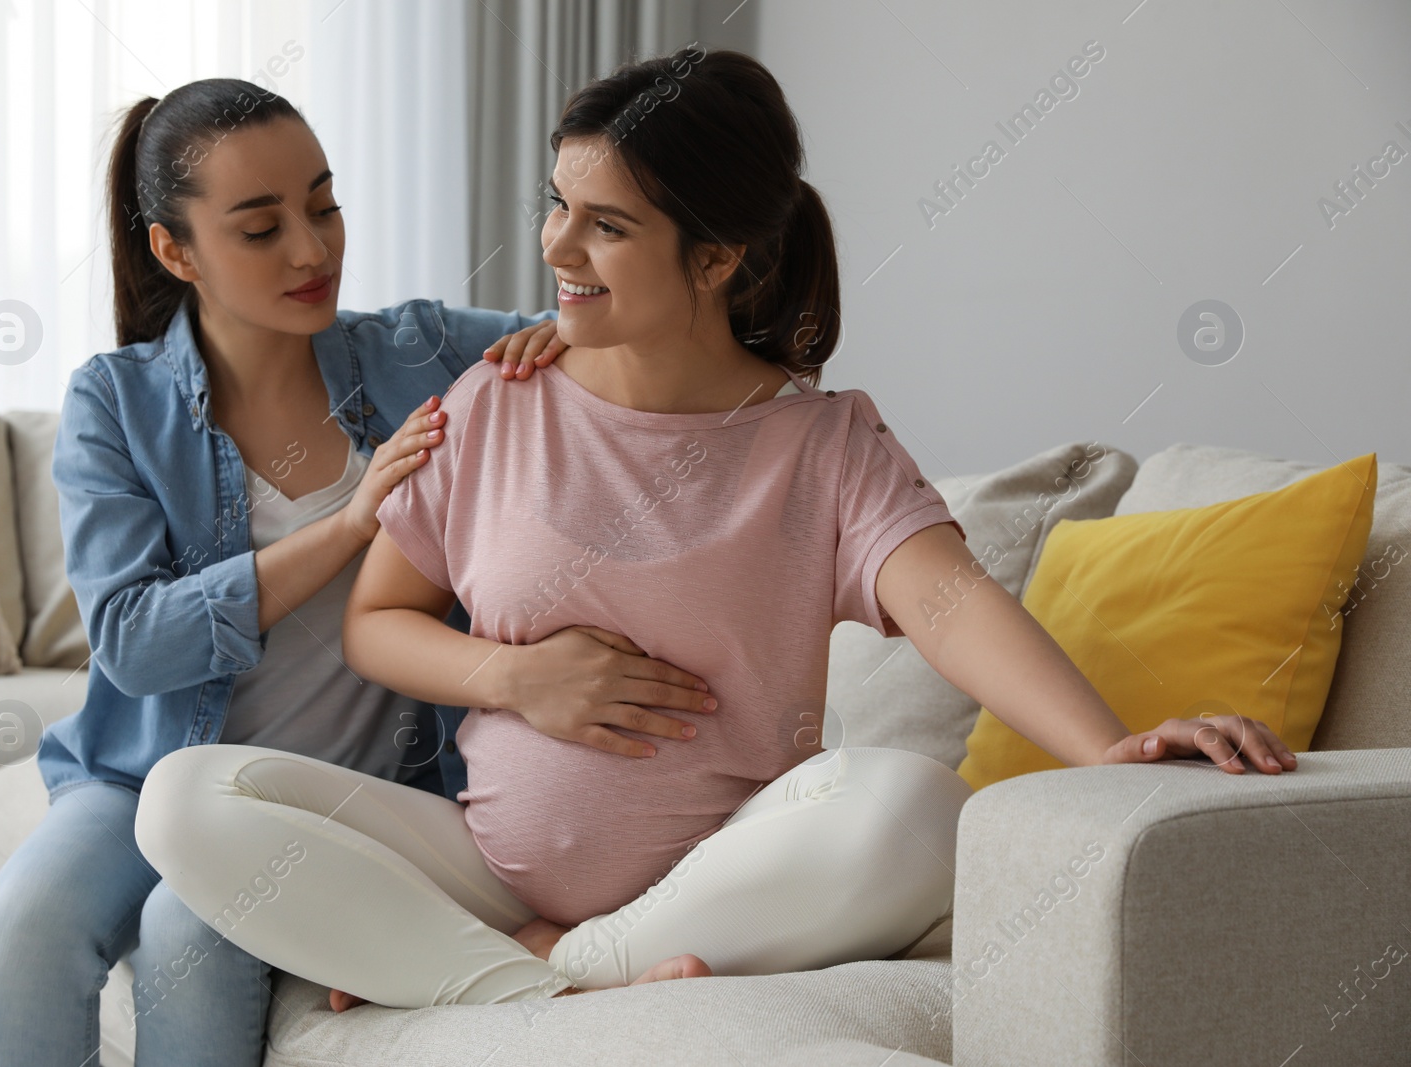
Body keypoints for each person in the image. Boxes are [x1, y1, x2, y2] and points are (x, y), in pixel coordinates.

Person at [133, 49, 1299, 1012]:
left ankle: (541, 971)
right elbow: (379, 623)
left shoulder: (822, 444)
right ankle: (530, 980)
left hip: (721, 872)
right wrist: (512, 675)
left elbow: (950, 602)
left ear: (717, 256)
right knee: (183, 795)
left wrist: (1105, 749)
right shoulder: (497, 399)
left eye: (604, 226)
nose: (553, 248)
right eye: (556, 205)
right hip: (488, 870)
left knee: (912, 802)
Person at [0, 78, 712, 1066]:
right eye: (261, 228)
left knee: (193, 936)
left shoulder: (424, 350)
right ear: (175, 249)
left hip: (343, 790)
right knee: (23, 925)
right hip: (140, 770)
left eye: (323, 205)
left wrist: (567, 335)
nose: (313, 251)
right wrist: (354, 522)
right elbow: (135, 644)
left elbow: (612, 327)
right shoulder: (116, 401)